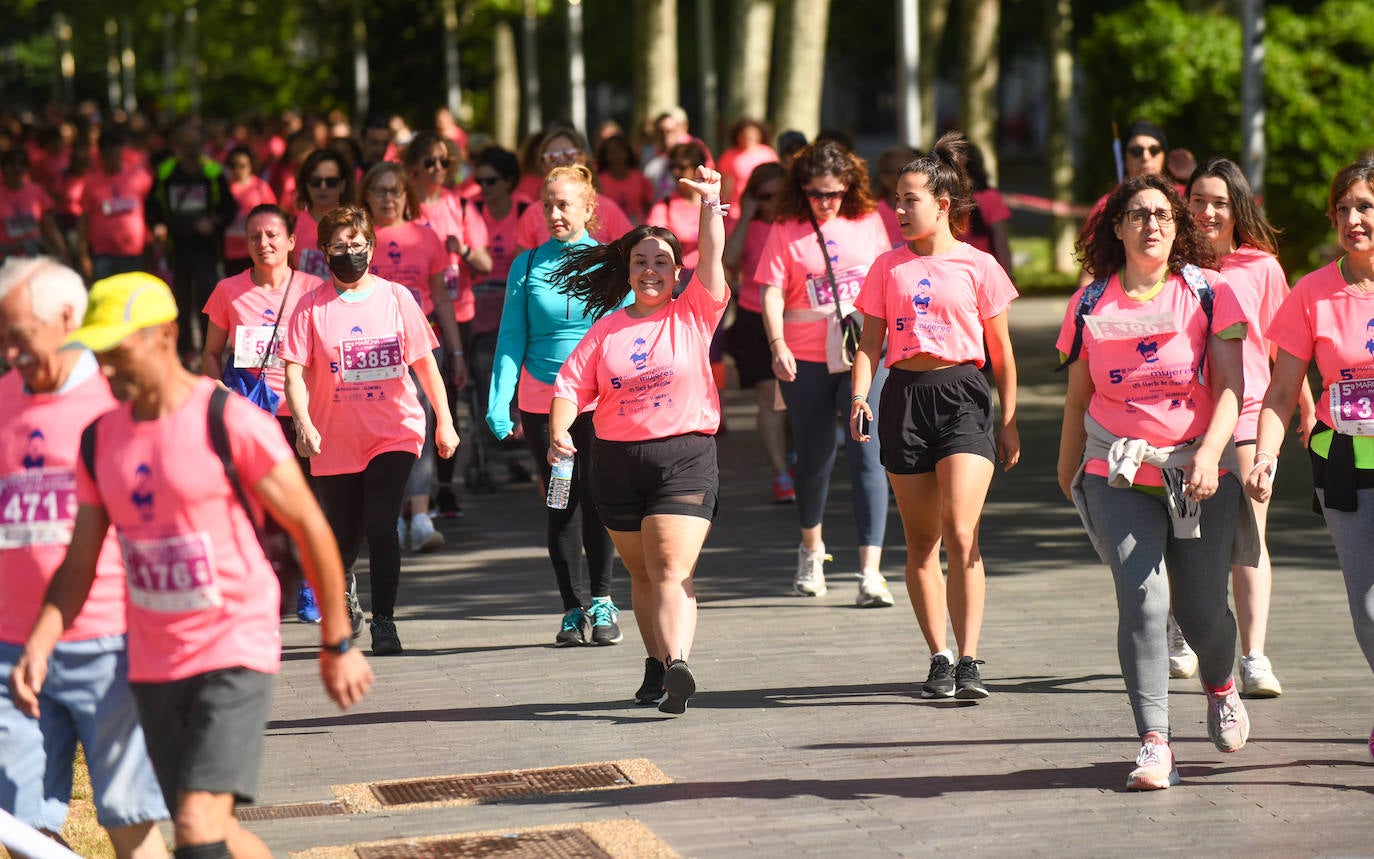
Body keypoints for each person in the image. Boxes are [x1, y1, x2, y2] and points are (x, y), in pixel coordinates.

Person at [10, 270, 373, 857]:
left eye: (118, 350)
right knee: (207, 826)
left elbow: (310, 527)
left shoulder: (228, 422)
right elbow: (79, 563)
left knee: (199, 828)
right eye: (97, 353)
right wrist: (41, 642)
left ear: (163, 336)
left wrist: (336, 640)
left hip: (233, 647)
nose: (106, 369)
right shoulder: (100, 439)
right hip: (154, 660)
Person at [1057, 173, 1253, 790]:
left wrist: (1210, 453)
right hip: (1114, 470)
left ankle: (1221, 684)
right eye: (1139, 215)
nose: (1152, 225)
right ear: (1116, 227)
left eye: (1164, 216)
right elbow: (1076, 399)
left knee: (1201, 613)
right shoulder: (1091, 302)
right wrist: (1069, 474)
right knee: (1143, 600)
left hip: (1197, 468)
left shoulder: (1209, 292)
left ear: (1179, 228)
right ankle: (1154, 743)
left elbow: (1232, 389)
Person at [0, 258, 169, 858]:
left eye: (20, 337)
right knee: (18, 828)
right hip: (11, 650)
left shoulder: (116, 403)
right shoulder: (1, 401)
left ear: (69, 319)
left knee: (130, 819)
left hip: (111, 643)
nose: (11, 353)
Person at [548, 165, 729, 713]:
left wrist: (710, 204)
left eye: (663, 263)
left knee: (672, 569)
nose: (651, 271)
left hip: (685, 459)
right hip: (617, 465)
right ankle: (657, 663)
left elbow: (714, 256)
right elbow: (570, 386)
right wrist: (559, 429)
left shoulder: (695, 312)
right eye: (641, 262)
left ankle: (677, 665)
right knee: (643, 573)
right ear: (627, 270)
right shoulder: (606, 328)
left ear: (678, 272)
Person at [849, 132, 1021, 700]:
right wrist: (859, 396)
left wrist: (1010, 417)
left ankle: (970, 658)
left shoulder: (980, 265)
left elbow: (1002, 350)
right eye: (895, 199)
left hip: (963, 394)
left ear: (943, 204)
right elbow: (869, 344)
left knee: (961, 530)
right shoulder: (886, 268)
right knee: (921, 541)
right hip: (902, 397)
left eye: (909, 199)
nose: (897, 209)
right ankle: (939, 657)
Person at [282, 204, 459, 656]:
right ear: (324, 251)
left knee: (381, 525)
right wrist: (302, 422)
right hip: (333, 436)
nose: (349, 254)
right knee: (343, 535)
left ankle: (385, 622)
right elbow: (294, 374)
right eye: (339, 247)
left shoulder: (398, 299)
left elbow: (425, 366)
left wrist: (446, 422)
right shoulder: (310, 306)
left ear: (372, 248)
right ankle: (343, 594)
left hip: (393, 431)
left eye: (358, 246)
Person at [1246, 157, 1374, 759]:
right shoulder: (1312, 293)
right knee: (1370, 607)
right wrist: (1265, 456)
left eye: (1366, 206)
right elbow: (1279, 391)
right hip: (1344, 462)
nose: (1354, 218)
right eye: (1344, 207)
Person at [1186, 156, 1314, 698]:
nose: (1208, 212)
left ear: (1238, 208)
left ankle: (1254, 656)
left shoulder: (1261, 267)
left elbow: (1286, 347)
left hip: (1248, 411)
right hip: (1181, 419)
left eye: (1219, 202)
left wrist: (1304, 407)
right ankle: (1182, 629)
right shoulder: (1172, 266)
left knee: (1249, 536)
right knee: (1184, 537)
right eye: (1197, 200)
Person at [488, 165, 622, 647]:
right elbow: (510, 338)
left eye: (563, 204)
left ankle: (604, 602)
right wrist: (498, 401)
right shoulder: (526, 265)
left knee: (599, 497)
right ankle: (572, 609)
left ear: (589, 208)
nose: (553, 213)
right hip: (542, 402)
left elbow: (626, 332)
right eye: (547, 204)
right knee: (561, 501)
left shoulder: (610, 261)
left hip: (597, 401)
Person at [756, 141, 893, 605]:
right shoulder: (785, 227)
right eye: (816, 194)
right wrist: (776, 345)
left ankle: (870, 572)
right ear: (802, 190)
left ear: (850, 185)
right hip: (805, 356)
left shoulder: (870, 220)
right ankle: (811, 550)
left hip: (861, 355)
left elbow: (887, 280)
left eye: (834, 193)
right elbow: (771, 292)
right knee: (814, 458)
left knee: (868, 455)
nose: (826, 202)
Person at [201, 203, 327, 624]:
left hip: (305, 414)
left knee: (308, 502)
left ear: (291, 241)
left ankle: (311, 587)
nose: (263, 243)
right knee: (262, 509)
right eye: (254, 236)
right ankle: (267, 590)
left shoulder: (314, 287)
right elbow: (210, 354)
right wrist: (219, 390)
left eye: (272, 235)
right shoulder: (227, 291)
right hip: (254, 417)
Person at [357, 162, 465, 551]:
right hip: (367, 354)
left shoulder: (427, 238)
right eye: (379, 190)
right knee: (382, 433)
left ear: (408, 196)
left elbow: (440, 297)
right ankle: (392, 515)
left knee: (418, 428)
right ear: (366, 196)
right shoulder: (360, 238)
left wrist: (454, 350)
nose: (388, 198)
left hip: (419, 348)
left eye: (395, 190)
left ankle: (420, 517)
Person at [406, 131, 494, 517]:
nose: (438, 169)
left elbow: (487, 264)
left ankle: (444, 485)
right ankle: (410, 492)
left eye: (445, 162)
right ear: (413, 167)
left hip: (458, 313)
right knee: (410, 401)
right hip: (414, 315)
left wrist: (465, 250)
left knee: (448, 401)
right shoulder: (406, 207)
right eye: (430, 162)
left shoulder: (460, 205)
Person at [723, 162, 793, 503]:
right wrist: (747, 214)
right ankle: (781, 473)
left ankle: (793, 457)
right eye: (765, 196)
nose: (773, 202)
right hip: (755, 316)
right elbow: (730, 261)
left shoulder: (798, 223)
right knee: (769, 398)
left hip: (796, 318)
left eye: (779, 194)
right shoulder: (744, 225)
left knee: (792, 403)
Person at [144, 123, 238, 359]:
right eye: (186, 146)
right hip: (176, 249)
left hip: (207, 250)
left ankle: (210, 351)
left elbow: (230, 208)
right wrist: (157, 226)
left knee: (208, 300)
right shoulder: (166, 173)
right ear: (178, 147)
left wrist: (214, 224)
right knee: (180, 303)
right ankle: (184, 350)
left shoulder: (213, 173)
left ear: (202, 146)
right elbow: (151, 206)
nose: (191, 150)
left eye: (195, 145)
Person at [514, 126, 634, 253]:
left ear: (582, 159)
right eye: (552, 157)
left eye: (569, 154)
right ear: (543, 165)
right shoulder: (532, 213)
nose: (561, 161)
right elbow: (522, 266)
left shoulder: (607, 207)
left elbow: (630, 254)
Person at [76, 127, 153, 281]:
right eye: (107, 152)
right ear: (100, 154)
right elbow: (83, 221)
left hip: (135, 253)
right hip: (103, 256)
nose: (111, 156)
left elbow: (152, 210)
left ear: (121, 151)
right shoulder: (91, 183)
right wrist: (83, 256)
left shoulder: (139, 176)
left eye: (114, 151)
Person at [292, 148, 357, 282]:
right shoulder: (291, 225)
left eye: (331, 181)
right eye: (316, 181)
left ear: (343, 185)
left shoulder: (358, 226)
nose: (323, 187)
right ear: (306, 184)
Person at [648, 142, 711, 274]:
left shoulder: (714, 203)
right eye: (672, 167)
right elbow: (653, 243)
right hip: (677, 277)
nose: (676, 172)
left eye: (682, 167)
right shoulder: (664, 204)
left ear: (697, 169)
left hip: (709, 276)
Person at [0, 148, 69, 264]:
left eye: (21, 164)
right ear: (5, 168)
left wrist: (62, 253)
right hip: (6, 259)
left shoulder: (37, 191)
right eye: (12, 165)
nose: (17, 168)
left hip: (34, 256)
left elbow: (50, 227)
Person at [960, 143, 1014, 276]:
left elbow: (1001, 241)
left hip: (980, 271)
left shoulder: (989, 197)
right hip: (965, 271)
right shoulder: (941, 196)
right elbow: (1001, 241)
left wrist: (1007, 274)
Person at [221, 147, 277, 276]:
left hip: (255, 247)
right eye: (233, 165)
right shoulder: (224, 187)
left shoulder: (260, 187)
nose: (238, 169)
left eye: (242, 165)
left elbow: (272, 215)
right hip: (230, 248)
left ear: (251, 166)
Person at [717, 118, 778, 225]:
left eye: (752, 134)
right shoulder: (729, 156)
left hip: (762, 208)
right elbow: (725, 186)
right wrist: (723, 208)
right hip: (735, 210)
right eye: (744, 134)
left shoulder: (768, 153)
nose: (748, 138)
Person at [595, 133, 655, 224]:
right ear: (605, 156)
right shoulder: (599, 181)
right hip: (610, 229)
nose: (616, 155)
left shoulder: (639, 178)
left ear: (627, 152)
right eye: (611, 151)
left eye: (620, 150)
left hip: (637, 231)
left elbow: (650, 205)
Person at [873, 146, 919, 248]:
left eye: (914, 171)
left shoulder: (927, 208)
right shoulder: (874, 212)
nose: (910, 176)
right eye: (903, 171)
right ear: (885, 177)